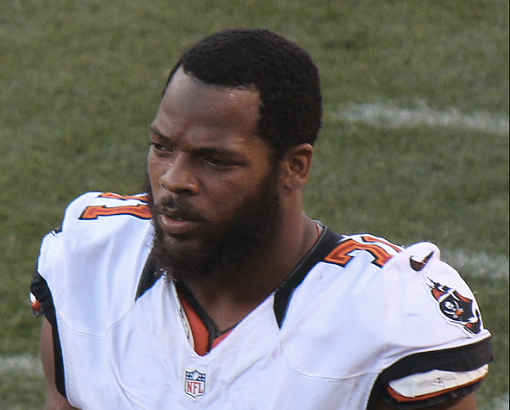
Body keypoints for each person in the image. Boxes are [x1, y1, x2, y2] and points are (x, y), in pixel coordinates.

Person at [30, 29, 492, 410]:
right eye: (162, 147)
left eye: (214, 161)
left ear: (294, 167)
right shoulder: (91, 256)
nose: (172, 180)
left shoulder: (387, 311)